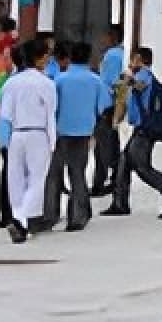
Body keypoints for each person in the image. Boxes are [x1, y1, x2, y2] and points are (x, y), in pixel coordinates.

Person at [108, 46, 162, 220]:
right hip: (141, 128)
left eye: (133, 59)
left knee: (142, 167)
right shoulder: (145, 75)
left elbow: (139, 86)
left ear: (140, 60)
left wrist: (128, 80)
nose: (130, 62)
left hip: (145, 129)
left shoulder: (143, 75)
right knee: (124, 161)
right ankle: (119, 203)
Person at [0, 36, 59, 244]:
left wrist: (5, 140)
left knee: (16, 180)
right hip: (38, 134)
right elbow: (51, 114)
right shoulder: (46, 83)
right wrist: (52, 142)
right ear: (40, 59)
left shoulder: (11, 83)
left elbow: (4, 114)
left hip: (16, 134)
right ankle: (22, 220)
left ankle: (17, 217)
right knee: (36, 180)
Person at [44, 42, 108, 232]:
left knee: (54, 174)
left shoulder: (59, 80)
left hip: (60, 131)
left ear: (70, 57)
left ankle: (50, 214)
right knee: (77, 173)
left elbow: (51, 105)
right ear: (89, 58)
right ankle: (77, 216)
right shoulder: (95, 80)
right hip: (83, 132)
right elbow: (104, 106)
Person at [90, 41, 128, 195]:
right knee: (111, 144)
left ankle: (102, 182)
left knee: (103, 148)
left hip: (106, 107)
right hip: (112, 106)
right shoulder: (121, 54)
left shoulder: (112, 55)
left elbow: (114, 84)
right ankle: (114, 180)